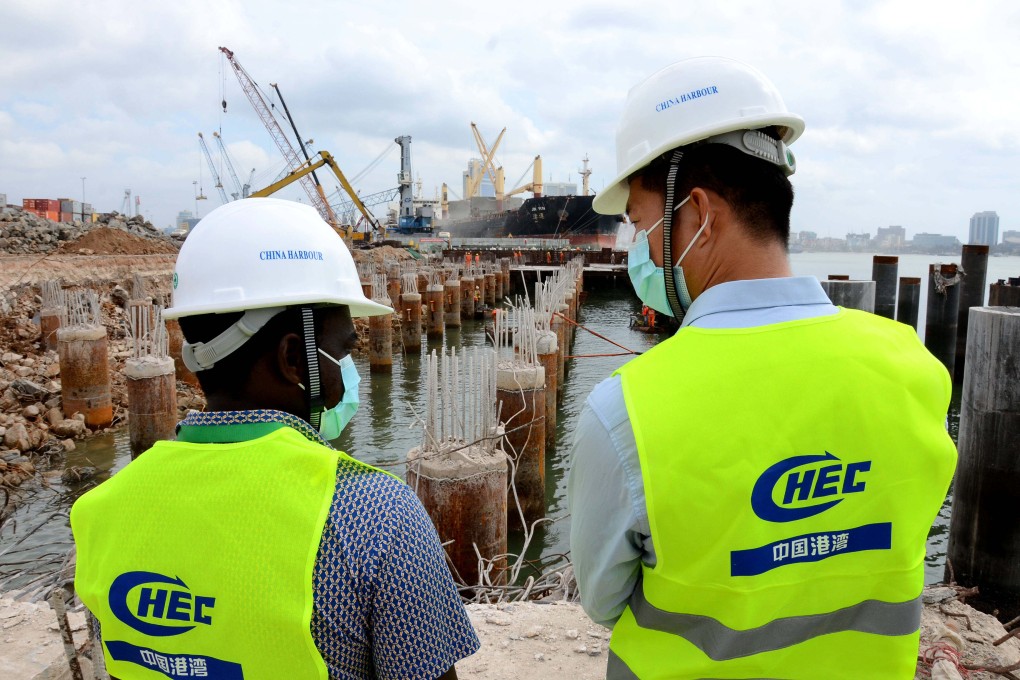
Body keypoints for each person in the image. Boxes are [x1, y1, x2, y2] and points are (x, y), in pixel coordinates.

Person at [567, 57, 957, 678]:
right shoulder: (915, 368)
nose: (635, 250)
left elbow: (601, 598)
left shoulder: (627, 412)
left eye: (640, 225)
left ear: (698, 214)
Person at [72, 199, 479, 679]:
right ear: (292, 358)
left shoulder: (102, 510)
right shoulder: (376, 514)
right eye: (343, 349)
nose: (348, 369)